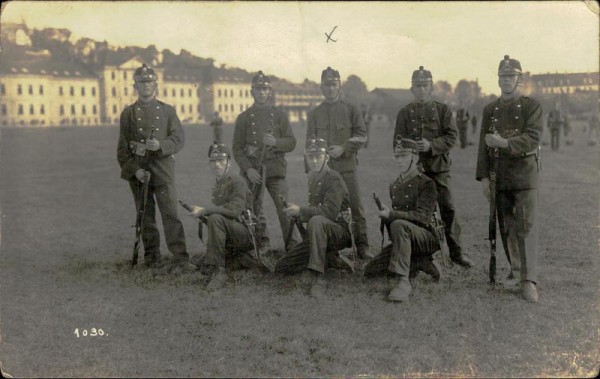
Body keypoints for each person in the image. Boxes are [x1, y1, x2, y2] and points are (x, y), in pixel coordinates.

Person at [476, 55, 543, 302]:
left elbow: (533, 138)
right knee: (506, 228)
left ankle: (529, 281)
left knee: (526, 227)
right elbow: (483, 147)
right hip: (499, 176)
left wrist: (505, 143)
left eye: (511, 76)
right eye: (502, 76)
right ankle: (515, 272)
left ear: (520, 79)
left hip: (525, 174)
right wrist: (483, 177)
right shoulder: (489, 110)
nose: (506, 81)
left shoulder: (531, 106)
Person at [393, 65, 474, 268]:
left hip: (439, 168)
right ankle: (417, 253)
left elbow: (452, 137)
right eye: (417, 86)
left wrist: (431, 145)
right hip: (414, 171)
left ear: (431, 87)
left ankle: (457, 252)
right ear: (412, 88)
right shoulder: (405, 113)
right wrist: (411, 148)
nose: (421, 89)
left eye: (425, 85)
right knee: (415, 211)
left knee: (449, 208)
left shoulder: (442, 110)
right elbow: (397, 142)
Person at [117, 63, 193, 273]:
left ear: (156, 84)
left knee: (171, 215)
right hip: (140, 173)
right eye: (142, 82)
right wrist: (135, 171)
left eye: (150, 82)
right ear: (135, 86)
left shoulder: (167, 111)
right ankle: (152, 259)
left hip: (163, 170)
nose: (146, 86)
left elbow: (178, 139)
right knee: (145, 217)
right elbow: (122, 150)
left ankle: (180, 258)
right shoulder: (128, 114)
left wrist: (161, 145)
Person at [275, 137, 354, 297]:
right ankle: (330, 258)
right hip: (321, 233)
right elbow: (314, 210)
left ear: (327, 157)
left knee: (317, 221)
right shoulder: (314, 177)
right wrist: (297, 214)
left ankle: (319, 275)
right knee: (282, 267)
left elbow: (329, 212)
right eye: (311, 157)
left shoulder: (333, 178)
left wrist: (301, 211)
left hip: (339, 232)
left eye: (318, 156)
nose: (315, 160)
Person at [306, 66, 372, 259]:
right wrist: (311, 170)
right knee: (324, 207)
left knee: (356, 206)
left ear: (339, 85)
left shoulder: (351, 109)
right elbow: (309, 144)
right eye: (326, 85)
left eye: (334, 84)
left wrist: (344, 148)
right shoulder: (315, 113)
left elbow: (361, 136)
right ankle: (327, 248)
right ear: (321, 87)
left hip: (347, 168)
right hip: (324, 172)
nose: (330, 88)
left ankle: (362, 246)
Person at [364, 138, 441, 302]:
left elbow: (423, 217)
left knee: (398, 224)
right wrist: (387, 215)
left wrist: (392, 215)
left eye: (404, 156)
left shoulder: (427, 183)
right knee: (371, 270)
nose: (399, 161)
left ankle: (403, 282)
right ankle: (421, 262)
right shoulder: (394, 185)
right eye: (397, 157)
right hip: (405, 237)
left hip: (426, 238)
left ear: (415, 158)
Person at [232, 71, 298, 252]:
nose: (261, 93)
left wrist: (276, 143)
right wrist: (247, 170)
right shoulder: (244, 118)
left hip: (275, 170)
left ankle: (292, 247)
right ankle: (263, 242)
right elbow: (237, 148)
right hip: (253, 170)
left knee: (285, 207)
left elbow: (292, 142)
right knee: (253, 208)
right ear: (251, 92)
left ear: (270, 92)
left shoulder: (279, 116)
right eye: (258, 89)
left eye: (265, 89)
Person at [187, 143, 261, 290]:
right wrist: (204, 214)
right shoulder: (219, 183)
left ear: (229, 162)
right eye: (213, 161)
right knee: (214, 218)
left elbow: (233, 211)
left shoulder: (237, 181)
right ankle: (218, 260)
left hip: (247, 235)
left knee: (214, 218)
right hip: (232, 232)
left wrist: (205, 211)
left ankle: (219, 272)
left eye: (221, 161)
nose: (217, 165)